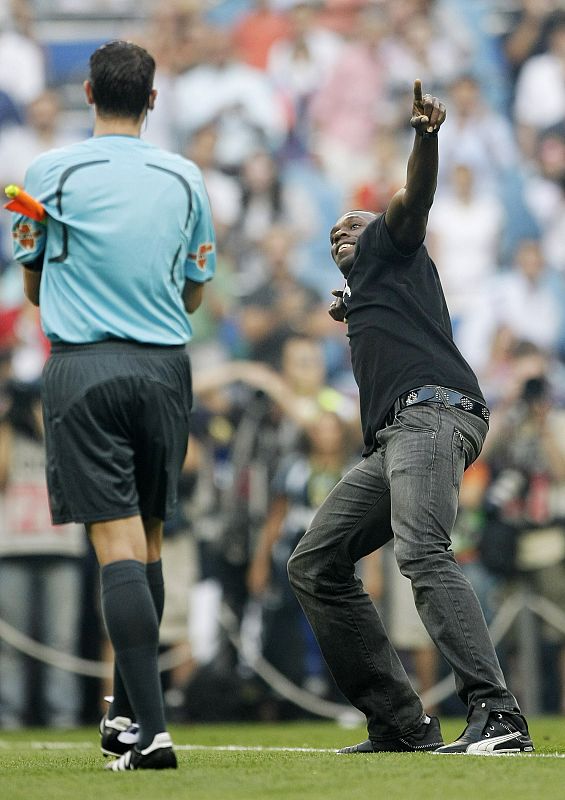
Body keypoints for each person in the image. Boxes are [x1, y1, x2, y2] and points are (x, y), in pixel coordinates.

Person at [287, 79, 534, 755]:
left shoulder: (393, 246)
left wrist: (423, 138)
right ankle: (399, 723)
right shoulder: (371, 289)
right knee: (314, 563)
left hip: (431, 413)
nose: (345, 225)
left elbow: (412, 198)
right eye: (336, 228)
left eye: (356, 220)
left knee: (422, 551)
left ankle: (498, 716)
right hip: (400, 434)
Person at [9, 40, 216, 770]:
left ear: (88, 93)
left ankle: (152, 732)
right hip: (164, 369)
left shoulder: (46, 174)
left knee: (115, 546)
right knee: (151, 540)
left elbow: (32, 288)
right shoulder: (186, 177)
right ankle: (127, 719)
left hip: (85, 366)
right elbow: (195, 291)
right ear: (152, 100)